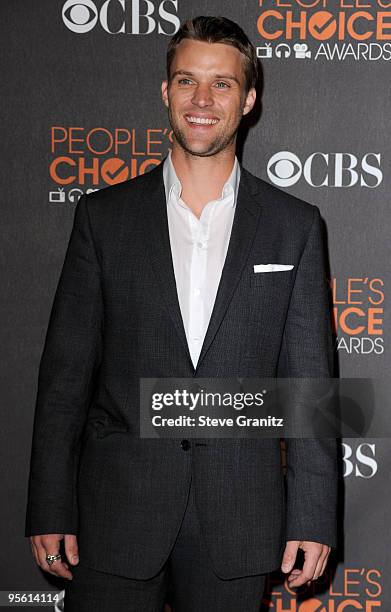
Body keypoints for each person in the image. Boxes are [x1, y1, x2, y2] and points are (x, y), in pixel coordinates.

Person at [25, 15, 338, 612]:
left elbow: (311, 389)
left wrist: (315, 516)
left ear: (248, 99)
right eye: (187, 80)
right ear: (166, 92)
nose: (202, 99)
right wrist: (50, 504)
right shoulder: (103, 218)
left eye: (222, 84)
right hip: (116, 514)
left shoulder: (294, 226)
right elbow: (65, 377)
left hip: (239, 515)